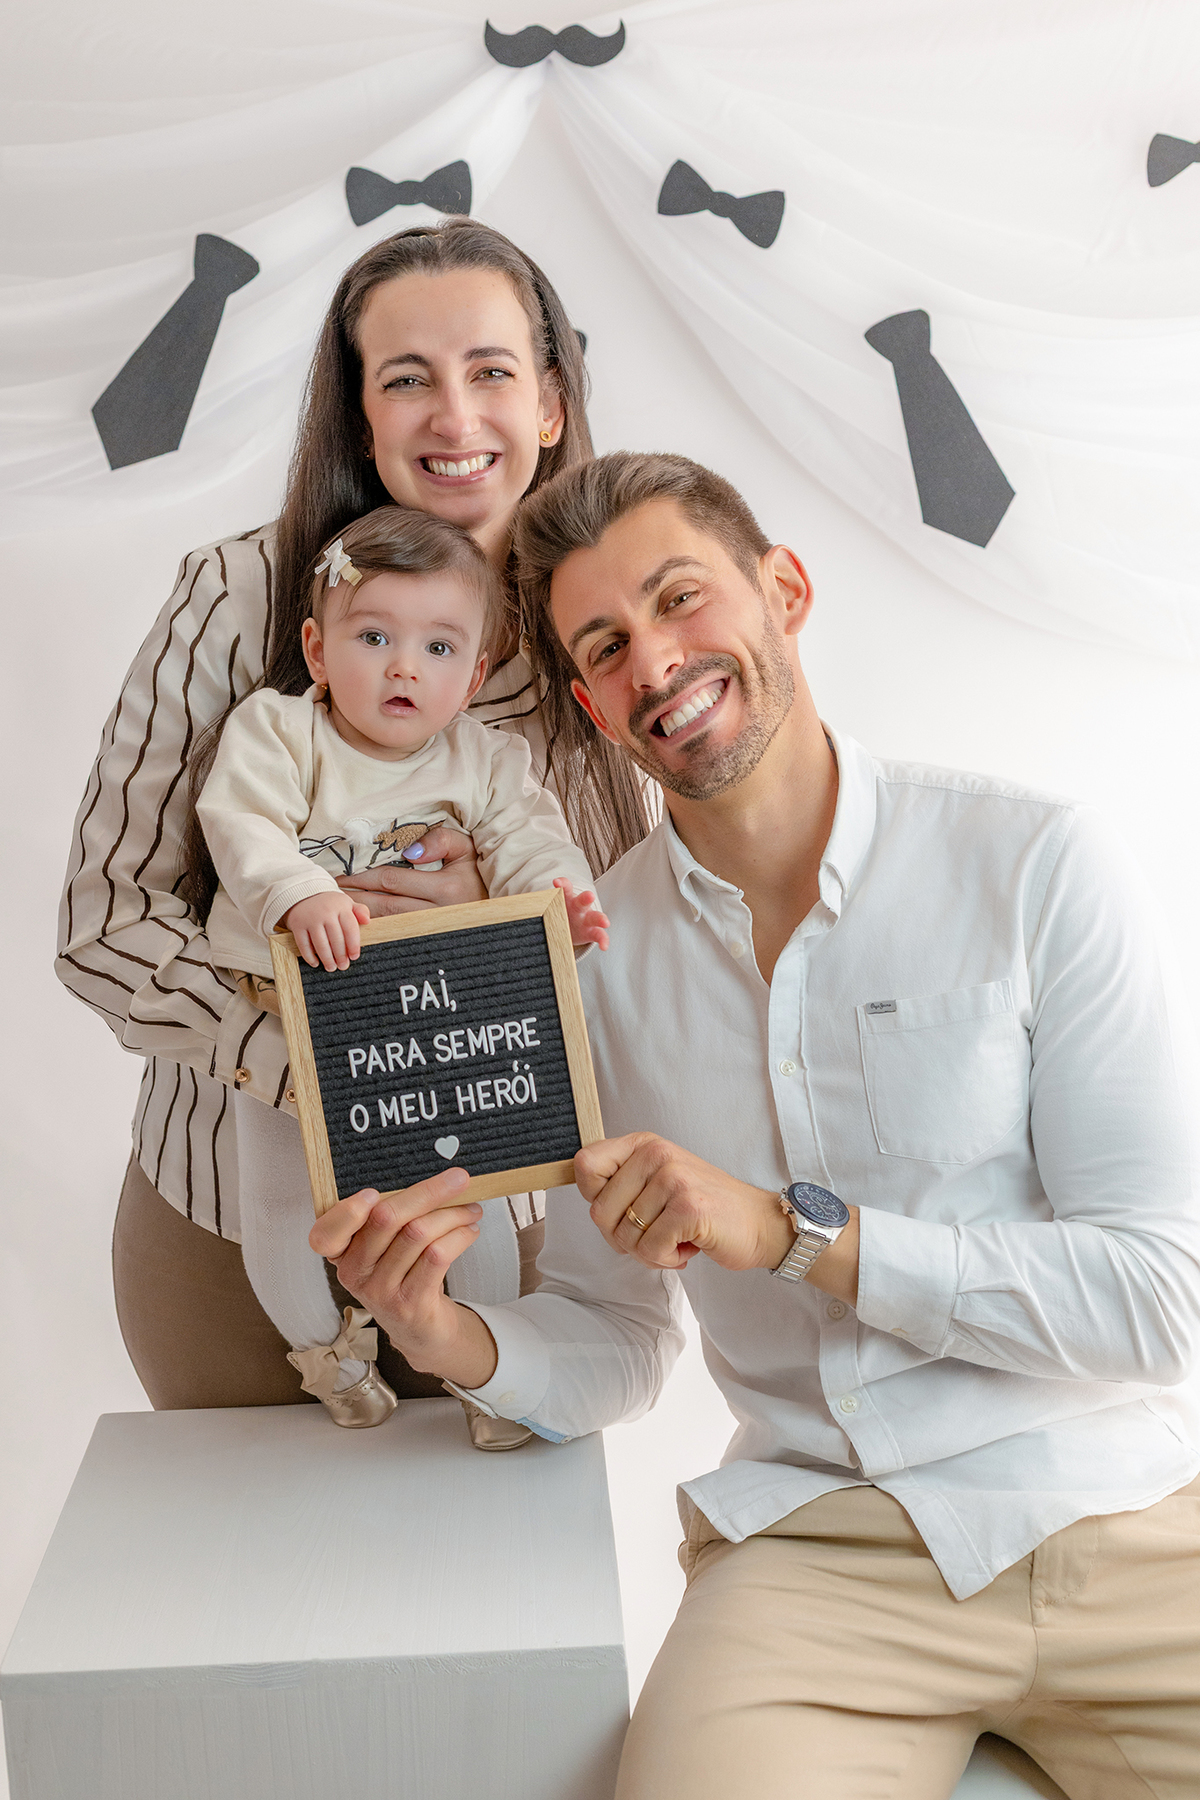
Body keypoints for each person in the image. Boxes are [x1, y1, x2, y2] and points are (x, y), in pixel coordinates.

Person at [312, 452, 1200, 1799]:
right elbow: (617, 1337)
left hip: (1129, 1522)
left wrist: (797, 1237)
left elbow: (1164, 1300)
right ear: (590, 705)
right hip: (816, 1556)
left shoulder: (1037, 864)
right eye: (605, 645)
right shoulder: (589, 969)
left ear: (783, 589)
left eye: (681, 600)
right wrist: (444, 1334)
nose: (657, 662)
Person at [55, 220, 649, 1420]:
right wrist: (328, 1065)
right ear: (360, 416)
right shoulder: (246, 599)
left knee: (492, 1580)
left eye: (489, 371)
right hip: (225, 1221)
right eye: (406, 379)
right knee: (264, 1589)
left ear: (549, 401)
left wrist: (488, 950)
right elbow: (103, 924)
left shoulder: (609, 617)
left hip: (498, 1209)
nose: (454, 415)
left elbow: (651, 937)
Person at [193, 503, 606, 1427]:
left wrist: (561, 905)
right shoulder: (282, 732)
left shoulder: (488, 759)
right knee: (280, 1198)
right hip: (289, 1010)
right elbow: (242, 823)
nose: (403, 667)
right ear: (316, 647)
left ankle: (487, 1372)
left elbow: (531, 841)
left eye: (438, 647)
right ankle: (328, 1356)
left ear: (476, 672)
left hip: (438, 1020)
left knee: (473, 1199)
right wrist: (298, 895)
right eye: (373, 636)